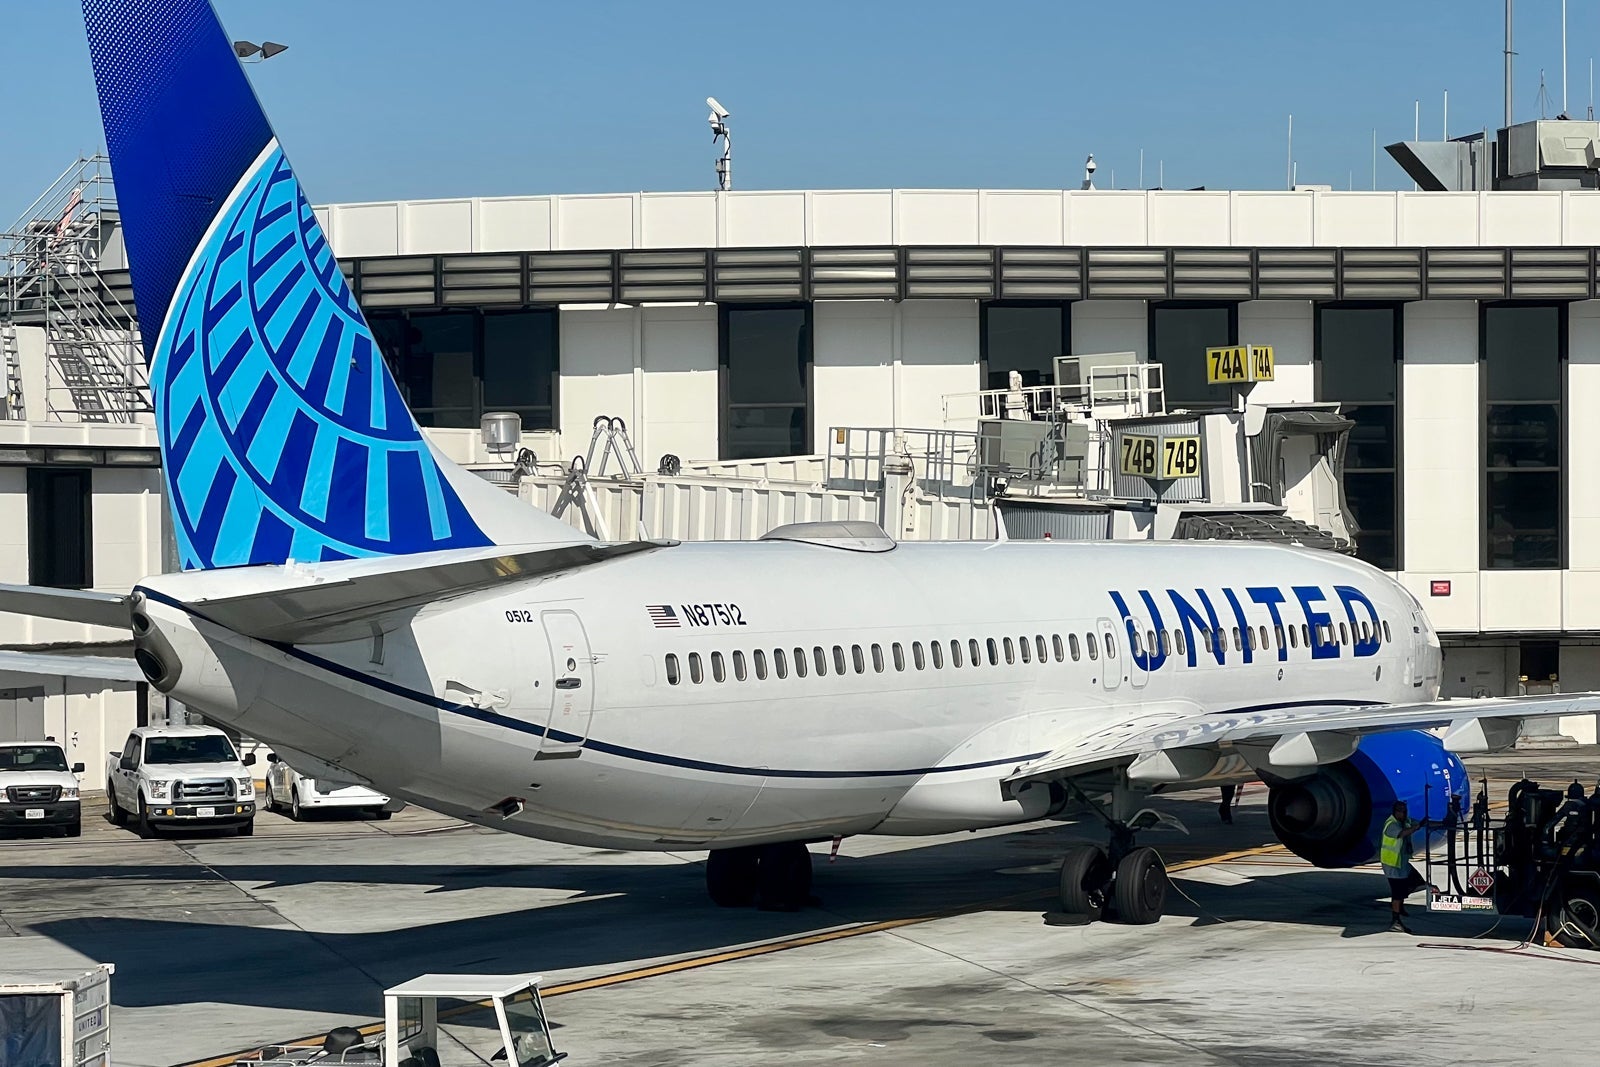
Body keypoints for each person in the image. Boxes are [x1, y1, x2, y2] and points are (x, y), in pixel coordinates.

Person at [1380, 800, 1426, 932]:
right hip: (1393, 865)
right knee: (1397, 893)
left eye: (1406, 811)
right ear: (1396, 812)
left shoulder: (1405, 821)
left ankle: (1399, 906)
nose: (1405, 814)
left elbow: (1417, 823)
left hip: (1402, 862)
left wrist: (1432, 823)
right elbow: (1402, 833)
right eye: (1403, 812)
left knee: (1416, 882)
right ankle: (1396, 921)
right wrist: (1415, 828)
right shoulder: (1391, 825)